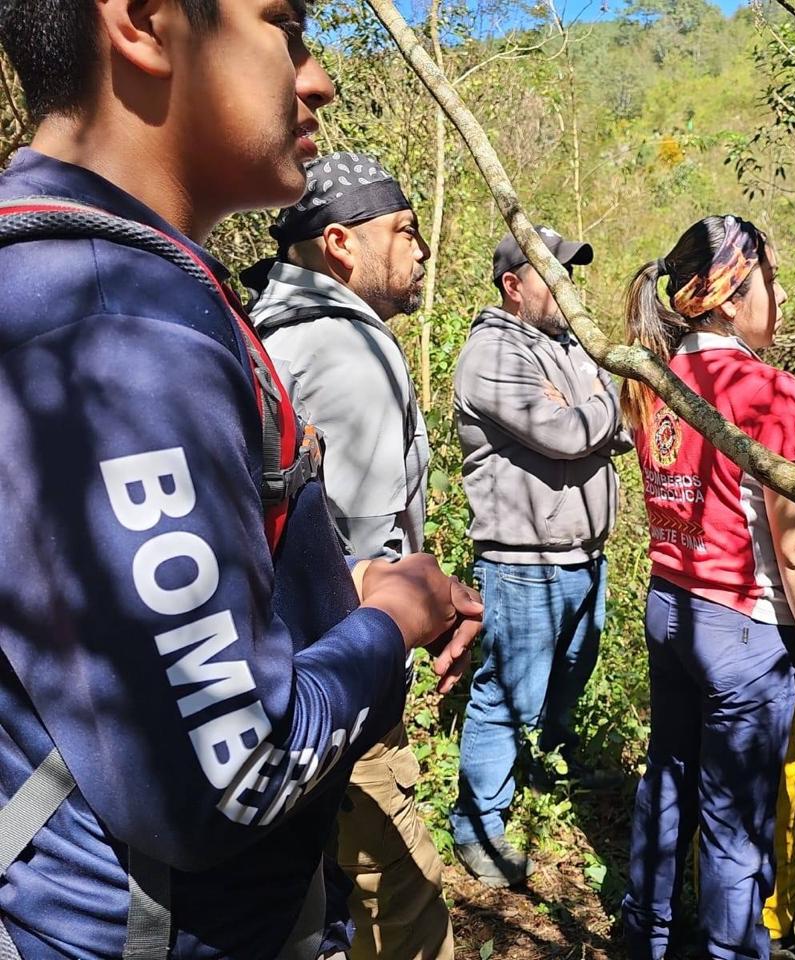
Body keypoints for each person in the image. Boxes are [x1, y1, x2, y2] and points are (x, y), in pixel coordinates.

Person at [0, 3, 481, 958]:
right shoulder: (115, 329)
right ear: (146, 22)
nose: (318, 77)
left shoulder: (74, 273)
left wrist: (338, 592)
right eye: (284, 25)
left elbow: (118, 643)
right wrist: (393, 623)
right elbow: (235, 774)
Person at [616, 215, 795, 960]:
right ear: (728, 296)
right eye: (771, 279)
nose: (782, 294)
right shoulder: (768, 392)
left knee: (669, 778)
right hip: (742, 629)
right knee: (735, 822)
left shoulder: (655, 377)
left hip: (669, 606)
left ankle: (646, 935)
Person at [244, 152, 452, 960]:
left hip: (281, 682)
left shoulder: (266, 328)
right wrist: (403, 639)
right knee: (402, 905)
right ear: (340, 244)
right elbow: (365, 563)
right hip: (341, 688)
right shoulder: (346, 353)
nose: (422, 250)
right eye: (404, 231)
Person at [450, 225, 632, 887]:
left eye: (570, 273)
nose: (568, 287)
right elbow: (567, 434)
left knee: (570, 675)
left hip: (584, 553)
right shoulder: (491, 352)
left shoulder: (569, 346)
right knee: (508, 694)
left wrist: (592, 412)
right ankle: (477, 825)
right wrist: (591, 412)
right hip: (524, 561)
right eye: (553, 274)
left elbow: (619, 425)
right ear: (513, 285)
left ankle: (546, 765)